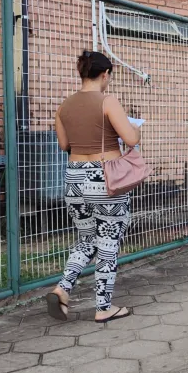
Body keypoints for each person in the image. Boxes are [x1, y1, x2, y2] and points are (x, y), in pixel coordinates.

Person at [46, 50, 142, 323]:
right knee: (109, 243)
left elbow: (64, 145)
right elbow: (130, 139)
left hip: (74, 177)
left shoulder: (64, 107)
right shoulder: (107, 101)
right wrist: (137, 130)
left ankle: (62, 289)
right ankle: (103, 307)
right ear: (105, 74)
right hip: (105, 178)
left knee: (86, 241)